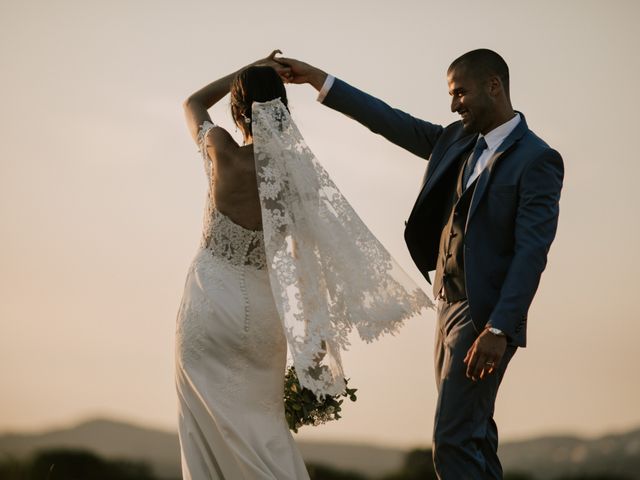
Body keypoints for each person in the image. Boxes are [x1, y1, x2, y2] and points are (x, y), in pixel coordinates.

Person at [277, 49, 564, 478]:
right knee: (474, 435)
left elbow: (532, 252)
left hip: (484, 314)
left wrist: (500, 328)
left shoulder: (537, 159)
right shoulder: (456, 139)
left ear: (494, 85)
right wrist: (318, 79)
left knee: (451, 442)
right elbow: (390, 120)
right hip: (447, 305)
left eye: (460, 93)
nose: (453, 105)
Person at [174, 50, 430, 479]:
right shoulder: (297, 179)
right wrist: (314, 345)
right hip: (261, 315)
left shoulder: (218, 149)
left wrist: (249, 68)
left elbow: (192, 103)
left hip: (208, 305)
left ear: (238, 109)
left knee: (203, 427)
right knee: (264, 428)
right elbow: (304, 263)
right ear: (283, 110)